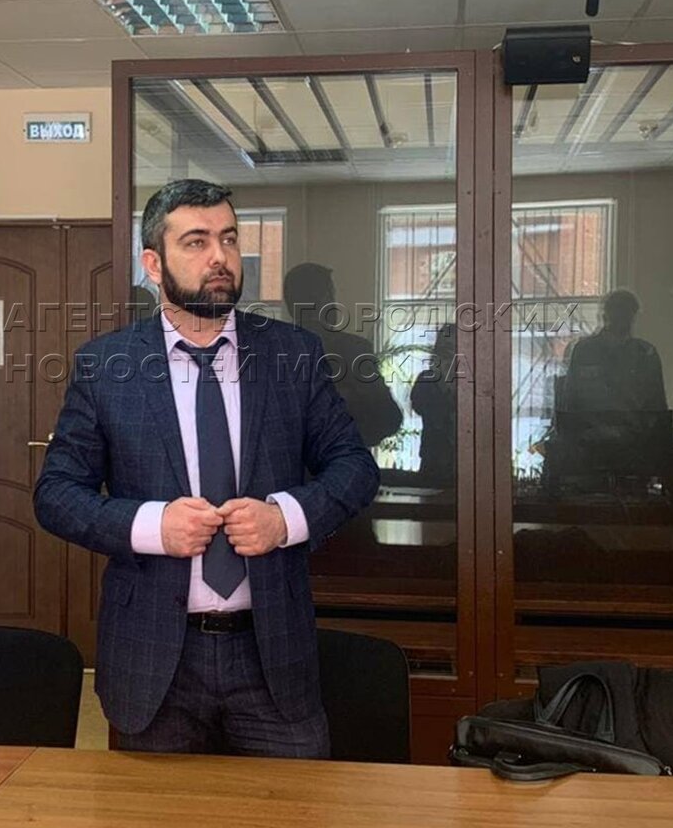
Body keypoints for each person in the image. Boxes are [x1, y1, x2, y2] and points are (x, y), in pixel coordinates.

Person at [35, 179, 380, 757]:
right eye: (196, 242)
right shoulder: (106, 365)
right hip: (154, 659)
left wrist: (285, 519)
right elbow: (56, 495)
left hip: (272, 653)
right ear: (153, 263)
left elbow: (355, 467)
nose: (220, 256)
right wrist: (153, 526)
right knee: (157, 807)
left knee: (292, 804)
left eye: (229, 238)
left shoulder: (292, 353)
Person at [282, 262, 402, 450]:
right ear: (324, 299)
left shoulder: (273, 354)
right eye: (331, 295)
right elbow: (388, 418)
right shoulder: (354, 350)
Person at [562, 288, 667, 413]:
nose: (621, 319)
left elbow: (657, 404)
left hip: (628, 424)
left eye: (625, 313)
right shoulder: (585, 351)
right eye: (618, 312)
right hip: (595, 423)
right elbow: (571, 400)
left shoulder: (645, 353)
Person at [411, 324, 457, 488]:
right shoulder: (426, 380)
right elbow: (422, 408)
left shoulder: (473, 383)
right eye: (444, 347)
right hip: (433, 459)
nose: (449, 353)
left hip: (466, 460)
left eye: (453, 347)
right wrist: (442, 381)